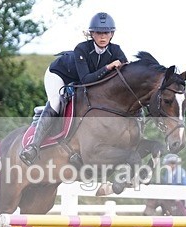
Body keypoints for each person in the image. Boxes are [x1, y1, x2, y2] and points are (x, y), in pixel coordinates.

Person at [19, 12, 128, 165]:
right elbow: (86, 79)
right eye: (98, 33)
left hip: (82, 81)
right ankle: (34, 146)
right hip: (59, 75)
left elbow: (124, 73)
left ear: (112, 34)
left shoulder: (116, 50)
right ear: (92, 34)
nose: (103, 37)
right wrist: (108, 67)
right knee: (57, 102)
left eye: (107, 33)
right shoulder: (82, 48)